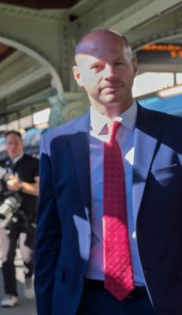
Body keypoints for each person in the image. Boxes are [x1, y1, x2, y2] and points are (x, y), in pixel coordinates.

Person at [36, 29, 182, 314]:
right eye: (96, 67)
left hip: (163, 300)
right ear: (78, 76)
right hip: (84, 300)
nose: (109, 74)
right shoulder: (56, 144)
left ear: (134, 66)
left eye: (118, 63)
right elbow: (48, 236)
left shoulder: (176, 134)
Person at [0, 130, 38, 308]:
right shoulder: (0, 165)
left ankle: (28, 277)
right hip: (5, 218)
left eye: (15, 143)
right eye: (9, 143)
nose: (12, 146)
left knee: (28, 256)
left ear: (22, 144)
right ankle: (10, 293)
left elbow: (39, 188)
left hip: (28, 217)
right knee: (6, 257)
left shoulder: (33, 162)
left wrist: (19, 185)